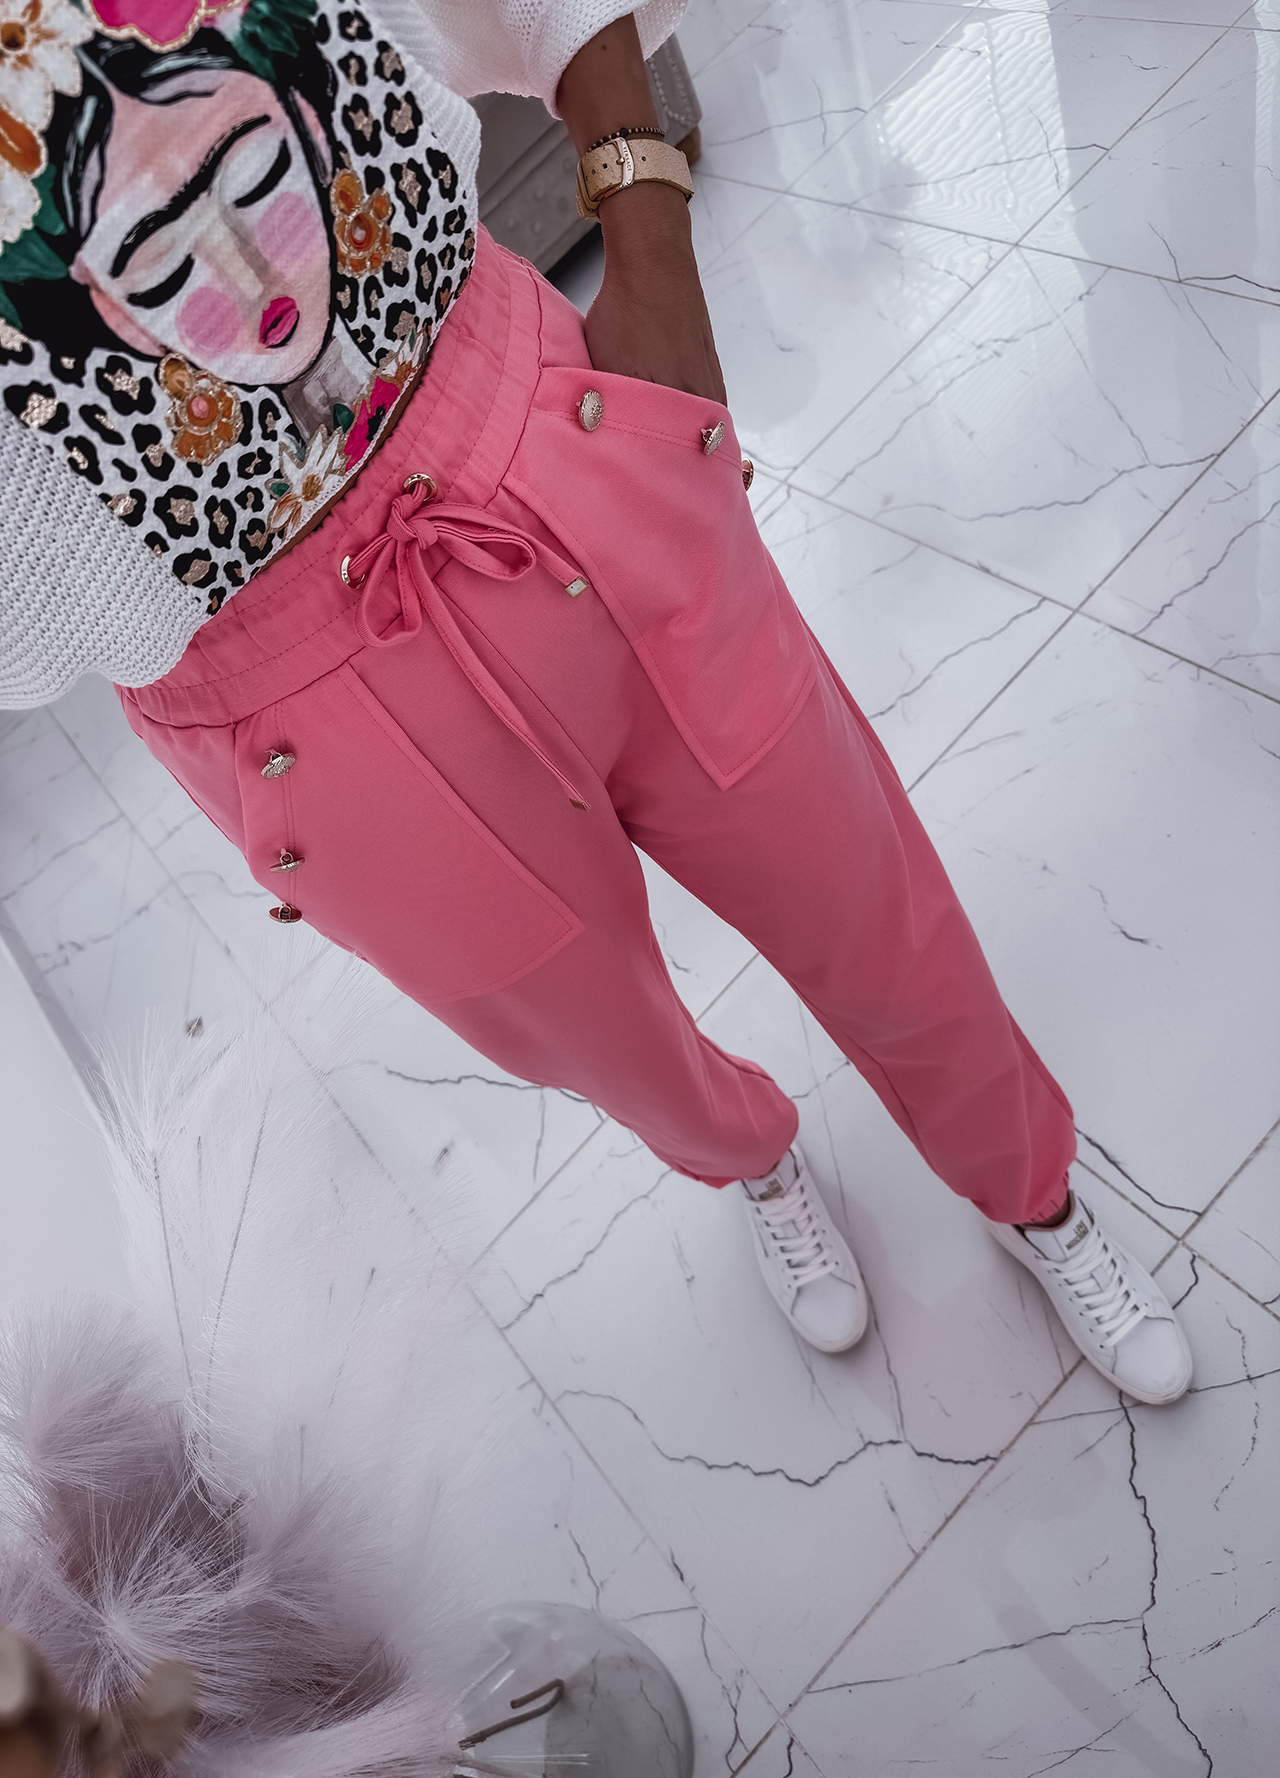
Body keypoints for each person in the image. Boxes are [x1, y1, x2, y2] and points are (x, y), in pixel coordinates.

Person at [0, 0, 1192, 1405]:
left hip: (534, 434)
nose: (237, 263)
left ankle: (1030, 1184)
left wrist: (646, 219)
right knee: (594, 1035)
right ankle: (750, 1159)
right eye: (154, 249)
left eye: (253, 174)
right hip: (270, 685)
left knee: (854, 875)